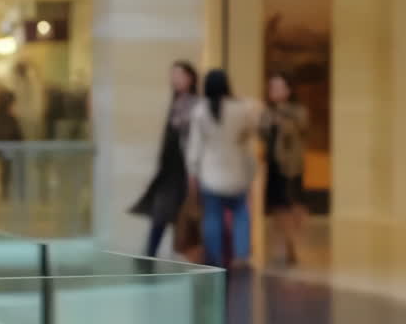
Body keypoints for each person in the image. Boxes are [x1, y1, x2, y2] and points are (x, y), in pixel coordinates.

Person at [187, 69, 260, 269]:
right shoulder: (241, 109)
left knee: (212, 215)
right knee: (241, 213)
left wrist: (193, 172)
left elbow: (195, 146)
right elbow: (254, 127)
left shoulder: (200, 111)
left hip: (210, 173)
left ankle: (214, 256)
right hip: (237, 172)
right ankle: (241, 254)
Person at [131, 61, 199, 258]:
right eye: (173, 75)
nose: (175, 80)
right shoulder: (176, 101)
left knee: (184, 215)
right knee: (161, 213)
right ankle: (150, 254)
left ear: (190, 77)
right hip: (170, 168)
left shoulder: (195, 104)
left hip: (185, 168)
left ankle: (160, 255)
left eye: (179, 75)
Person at [259, 72, 309, 265]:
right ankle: (287, 242)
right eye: (272, 87)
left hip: (291, 165)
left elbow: (301, 128)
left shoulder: (298, 111)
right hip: (273, 164)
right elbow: (262, 133)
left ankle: (292, 241)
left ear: (288, 90)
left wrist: (283, 120)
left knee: (293, 203)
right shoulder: (267, 112)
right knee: (278, 206)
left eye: (279, 87)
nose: (275, 91)